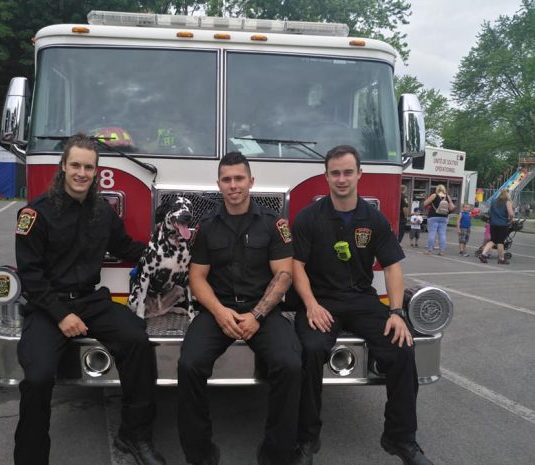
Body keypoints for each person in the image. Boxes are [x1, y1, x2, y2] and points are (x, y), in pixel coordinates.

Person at [14, 134, 166, 465]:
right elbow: (31, 277)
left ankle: (134, 435)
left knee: (137, 339)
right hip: (47, 305)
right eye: (76, 166)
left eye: (89, 167)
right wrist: (60, 315)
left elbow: (126, 246)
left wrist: (167, 255)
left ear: (96, 171)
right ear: (63, 167)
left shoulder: (102, 211)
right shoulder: (35, 214)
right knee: (38, 377)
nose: (82, 173)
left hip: (90, 300)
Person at [291, 145, 434, 465]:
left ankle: (400, 438)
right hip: (321, 301)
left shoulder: (374, 219)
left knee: (401, 349)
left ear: (359, 175)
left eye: (347, 172)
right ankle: (307, 439)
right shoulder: (309, 217)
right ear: (326, 176)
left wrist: (397, 313)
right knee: (310, 350)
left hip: (361, 300)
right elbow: (296, 265)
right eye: (335, 173)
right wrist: (311, 304)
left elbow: (393, 266)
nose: (341, 179)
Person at [178, 151, 302, 465]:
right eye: (227, 179)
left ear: (251, 182)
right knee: (189, 365)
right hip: (217, 311)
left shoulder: (274, 224)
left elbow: (284, 274)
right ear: (218, 184)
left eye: (239, 179)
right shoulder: (206, 226)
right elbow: (197, 277)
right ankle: (200, 453)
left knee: (289, 364)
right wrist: (220, 313)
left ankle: (277, 452)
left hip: (262, 311)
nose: (233, 185)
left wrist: (257, 315)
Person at [479, 189, 515, 265]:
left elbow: (489, 212)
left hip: (493, 224)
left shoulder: (493, 201)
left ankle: (483, 254)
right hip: (502, 224)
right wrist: (512, 219)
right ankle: (501, 259)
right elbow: (511, 214)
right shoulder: (507, 202)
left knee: (493, 240)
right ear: (508, 195)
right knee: (500, 242)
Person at [423, 185, 454, 256]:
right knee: (442, 234)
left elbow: (425, 203)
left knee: (432, 233)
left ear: (437, 189)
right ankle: (441, 251)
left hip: (433, 216)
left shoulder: (434, 195)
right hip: (444, 217)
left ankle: (429, 251)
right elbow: (451, 207)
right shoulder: (447, 197)